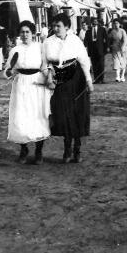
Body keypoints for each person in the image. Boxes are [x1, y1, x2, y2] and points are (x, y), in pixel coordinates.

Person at [43, 13, 93, 163]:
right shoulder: (47, 42)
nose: (56, 28)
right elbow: (44, 63)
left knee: (77, 113)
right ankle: (67, 149)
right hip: (59, 80)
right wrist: (49, 77)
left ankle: (77, 148)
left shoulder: (75, 40)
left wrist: (89, 81)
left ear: (67, 27)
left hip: (76, 79)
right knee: (63, 114)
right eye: (54, 26)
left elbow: (84, 61)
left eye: (59, 26)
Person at [4, 21, 51, 164]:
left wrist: (48, 77)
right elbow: (7, 71)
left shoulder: (40, 48)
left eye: (27, 32)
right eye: (22, 32)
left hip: (37, 83)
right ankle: (23, 149)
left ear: (33, 33)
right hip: (21, 84)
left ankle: (39, 151)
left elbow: (46, 66)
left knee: (38, 115)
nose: (25, 35)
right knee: (21, 115)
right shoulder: (14, 50)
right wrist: (9, 72)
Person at [84, 17, 108, 84]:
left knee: (101, 64)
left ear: (97, 22)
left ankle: (102, 79)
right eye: (93, 21)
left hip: (100, 49)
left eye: (96, 21)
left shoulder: (102, 29)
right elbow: (86, 41)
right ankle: (96, 79)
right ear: (91, 22)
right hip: (92, 50)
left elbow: (106, 39)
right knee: (94, 65)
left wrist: (106, 48)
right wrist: (84, 48)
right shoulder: (88, 31)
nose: (94, 22)